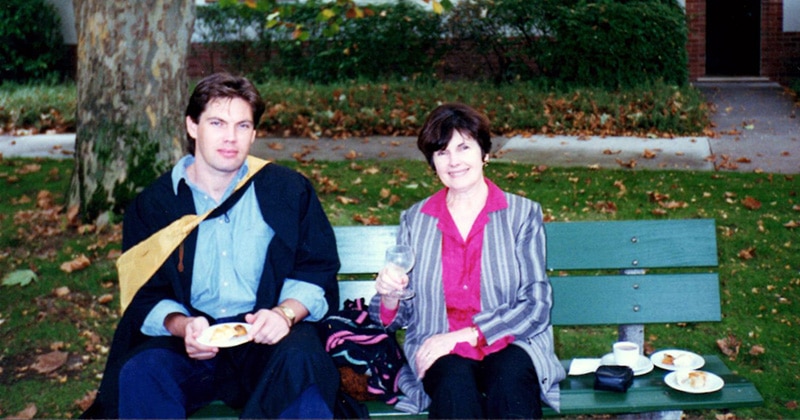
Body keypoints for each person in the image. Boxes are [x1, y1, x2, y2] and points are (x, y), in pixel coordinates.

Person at [82, 73, 341, 419]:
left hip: (269, 341)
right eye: (217, 123)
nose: (230, 138)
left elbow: (316, 269)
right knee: (141, 373)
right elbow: (145, 295)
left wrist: (284, 314)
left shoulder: (288, 191)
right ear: (192, 126)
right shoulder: (155, 205)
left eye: (243, 125)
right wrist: (183, 326)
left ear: (254, 133)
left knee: (304, 367)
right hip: (191, 346)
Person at [368, 103, 565, 418]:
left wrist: (466, 335)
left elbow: (536, 305)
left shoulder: (522, 215)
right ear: (433, 162)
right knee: (452, 385)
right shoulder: (416, 220)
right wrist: (390, 295)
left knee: (509, 379)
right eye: (442, 152)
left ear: (484, 153)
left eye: (463, 147)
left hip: (510, 341)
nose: (454, 161)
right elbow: (392, 317)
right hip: (441, 349)